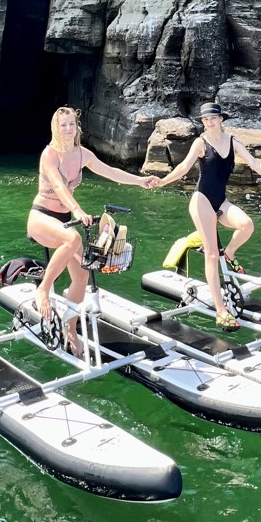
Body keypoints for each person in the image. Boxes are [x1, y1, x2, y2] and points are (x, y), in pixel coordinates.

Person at [155, 101, 261, 330]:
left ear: (221, 119)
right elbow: (183, 168)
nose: (209, 122)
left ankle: (229, 253)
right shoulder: (200, 143)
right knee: (211, 255)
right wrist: (162, 182)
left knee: (247, 225)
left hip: (221, 200)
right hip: (201, 201)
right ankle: (221, 311)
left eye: (213, 118)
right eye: (205, 119)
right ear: (203, 122)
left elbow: (255, 163)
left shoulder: (233, 142)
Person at [29, 106, 158, 353]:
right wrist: (77, 210)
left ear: (77, 127)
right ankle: (43, 289)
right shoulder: (50, 154)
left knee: (82, 275)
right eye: (63, 125)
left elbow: (111, 172)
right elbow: (58, 186)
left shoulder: (82, 154)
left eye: (71, 124)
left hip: (65, 218)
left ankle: (70, 330)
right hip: (41, 216)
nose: (68, 129)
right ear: (55, 129)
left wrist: (140, 181)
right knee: (72, 237)